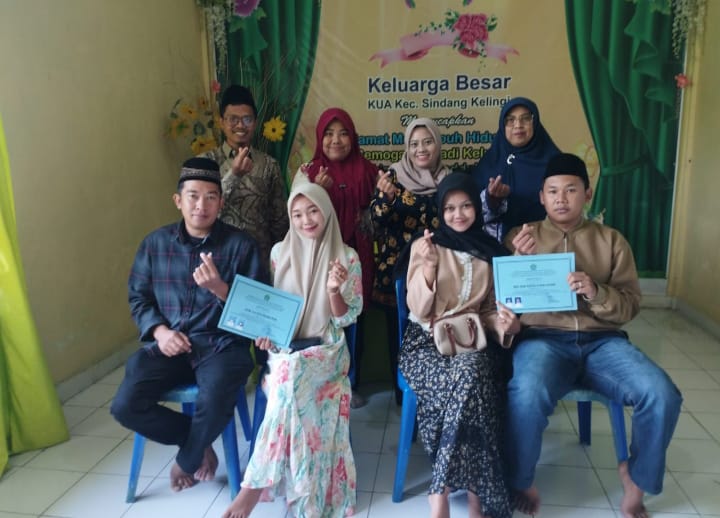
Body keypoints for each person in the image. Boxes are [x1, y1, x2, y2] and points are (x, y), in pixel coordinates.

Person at [504, 153, 682, 518]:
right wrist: (518, 261)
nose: (561, 198)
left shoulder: (611, 241)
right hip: (543, 340)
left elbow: (630, 305)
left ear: (587, 194)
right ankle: (521, 480)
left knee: (661, 393)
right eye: (553, 191)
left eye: (571, 190)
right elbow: (503, 302)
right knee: (526, 392)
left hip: (603, 343)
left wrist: (596, 292)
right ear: (541, 197)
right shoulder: (522, 237)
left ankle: (637, 480)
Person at [110, 158, 266, 492]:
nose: (201, 205)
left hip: (222, 345)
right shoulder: (154, 244)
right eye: (193, 196)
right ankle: (196, 443)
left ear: (221, 203)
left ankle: (186, 461)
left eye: (211, 197)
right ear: (178, 200)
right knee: (125, 404)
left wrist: (221, 289)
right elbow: (139, 298)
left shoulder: (242, 246)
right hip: (172, 344)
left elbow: (258, 314)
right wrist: (160, 332)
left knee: (218, 390)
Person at [222, 182, 360, 518]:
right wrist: (265, 336)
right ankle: (300, 495)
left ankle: (253, 487)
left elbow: (347, 318)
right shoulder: (278, 253)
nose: (306, 220)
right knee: (288, 377)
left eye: (313, 210)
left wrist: (333, 290)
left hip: (326, 350)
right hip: (286, 349)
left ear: (326, 211)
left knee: (286, 379)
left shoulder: (347, 257)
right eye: (297, 214)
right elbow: (273, 309)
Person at [398, 173, 517, 518]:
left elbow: (489, 310)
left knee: (472, 370)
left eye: (466, 206)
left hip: (472, 339)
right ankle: (477, 495)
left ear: (477, 208)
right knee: (475, 384)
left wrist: (506, 326)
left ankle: (441, 491)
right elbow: (417, 309)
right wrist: (429, 269)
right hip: (425, 343)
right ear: (441, 211)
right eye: (450, 208)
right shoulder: (426, 246)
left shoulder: (489, 251)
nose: (458, 214)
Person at [294, 107, 377, 407]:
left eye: (343, 133)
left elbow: (378, 214)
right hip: (316, 258)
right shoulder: (307, 172)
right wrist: (317, 190)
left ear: (353, 137)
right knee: (318, 316)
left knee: (353, 319)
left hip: (355, 257)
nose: (336, 140)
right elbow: (296, 212)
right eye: (329, 133)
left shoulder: (369, 171)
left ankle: (350, 381)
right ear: (320, 137)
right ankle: (316, 378)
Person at [371, 117, 450, 404]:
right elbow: (376, 217)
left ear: (437, 144)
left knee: (433, 332)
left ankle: (433, 395)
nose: (421, 149)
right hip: (399, 270)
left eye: (427, 142)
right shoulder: (393, 176)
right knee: (400, 334)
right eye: (414, 144)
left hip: (437, 271)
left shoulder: (449, 179)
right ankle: (403, 397)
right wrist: (389, 199)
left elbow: (449, 219)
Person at [199, 84, 288, 262]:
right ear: (221, 122)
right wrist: (233, 174)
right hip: (216, 260)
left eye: (247, 119)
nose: (240, 125)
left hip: (258, 261)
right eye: (233, 119)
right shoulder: (205, 162)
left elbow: (279, 220)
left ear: (255, 123)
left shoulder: (269, 165)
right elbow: (200, 210)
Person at [470, 97, 560, 242]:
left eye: (526, 119)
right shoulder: (489, 162)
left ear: (535, 122)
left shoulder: (555, 162)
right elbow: (471, 209)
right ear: (502, 125)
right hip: (498, 246)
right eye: (510, 120)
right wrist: (492, 199)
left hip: (546, 242)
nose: (518, 125)